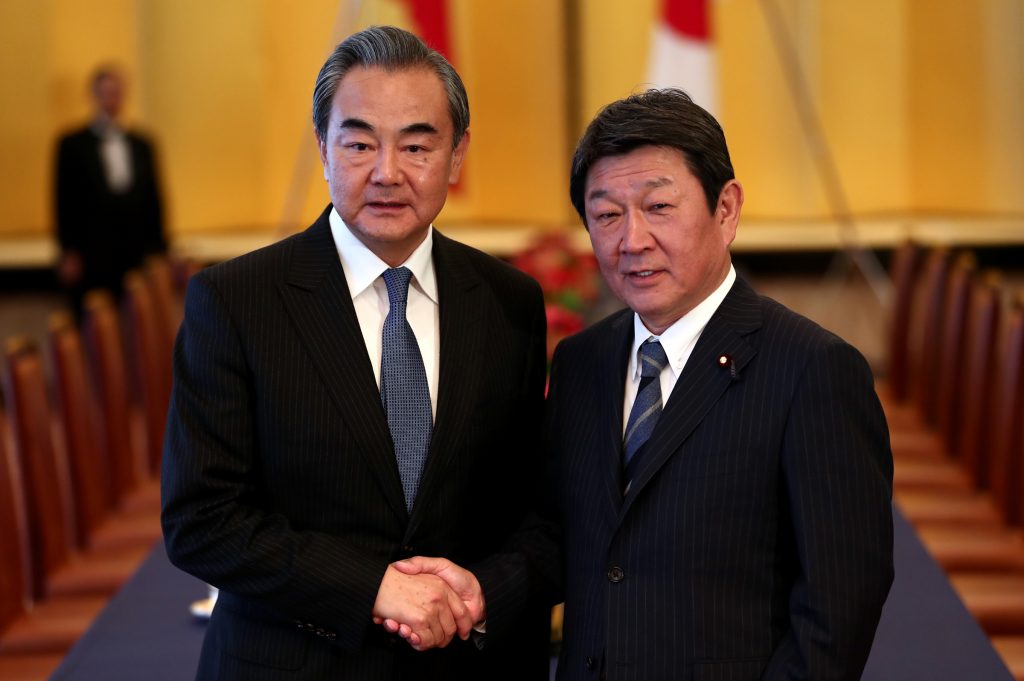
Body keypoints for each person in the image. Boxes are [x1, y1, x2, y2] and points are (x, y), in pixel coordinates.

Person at [161, 26, 552, 680]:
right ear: (323, 148)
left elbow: (529, 508)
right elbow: (202, 519)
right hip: (292, 661)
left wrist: (484, 590)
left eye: (418, 144)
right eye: (360, 142)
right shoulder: (237, 301)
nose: (387, 172)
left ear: (457, 156)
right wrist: (370, 584)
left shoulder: (508, 302)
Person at [544, 88, 894, 680]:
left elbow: (838, 609)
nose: (632, 240)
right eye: (606, 215)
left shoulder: (812, 369)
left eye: (658, 208)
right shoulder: (581, 362)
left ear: (726, 210)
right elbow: (564, 543)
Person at [54, 65, 166, 317]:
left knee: (137, 321)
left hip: (134, 249)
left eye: (116, 92)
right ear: (93, 95)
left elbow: (155, 199)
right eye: (105, 92)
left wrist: (159, 249)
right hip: (92, 251)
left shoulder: (142, 144)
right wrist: (67, 250)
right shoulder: (71, 144)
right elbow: (63, 200)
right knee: (94, 320)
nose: (111, 98)